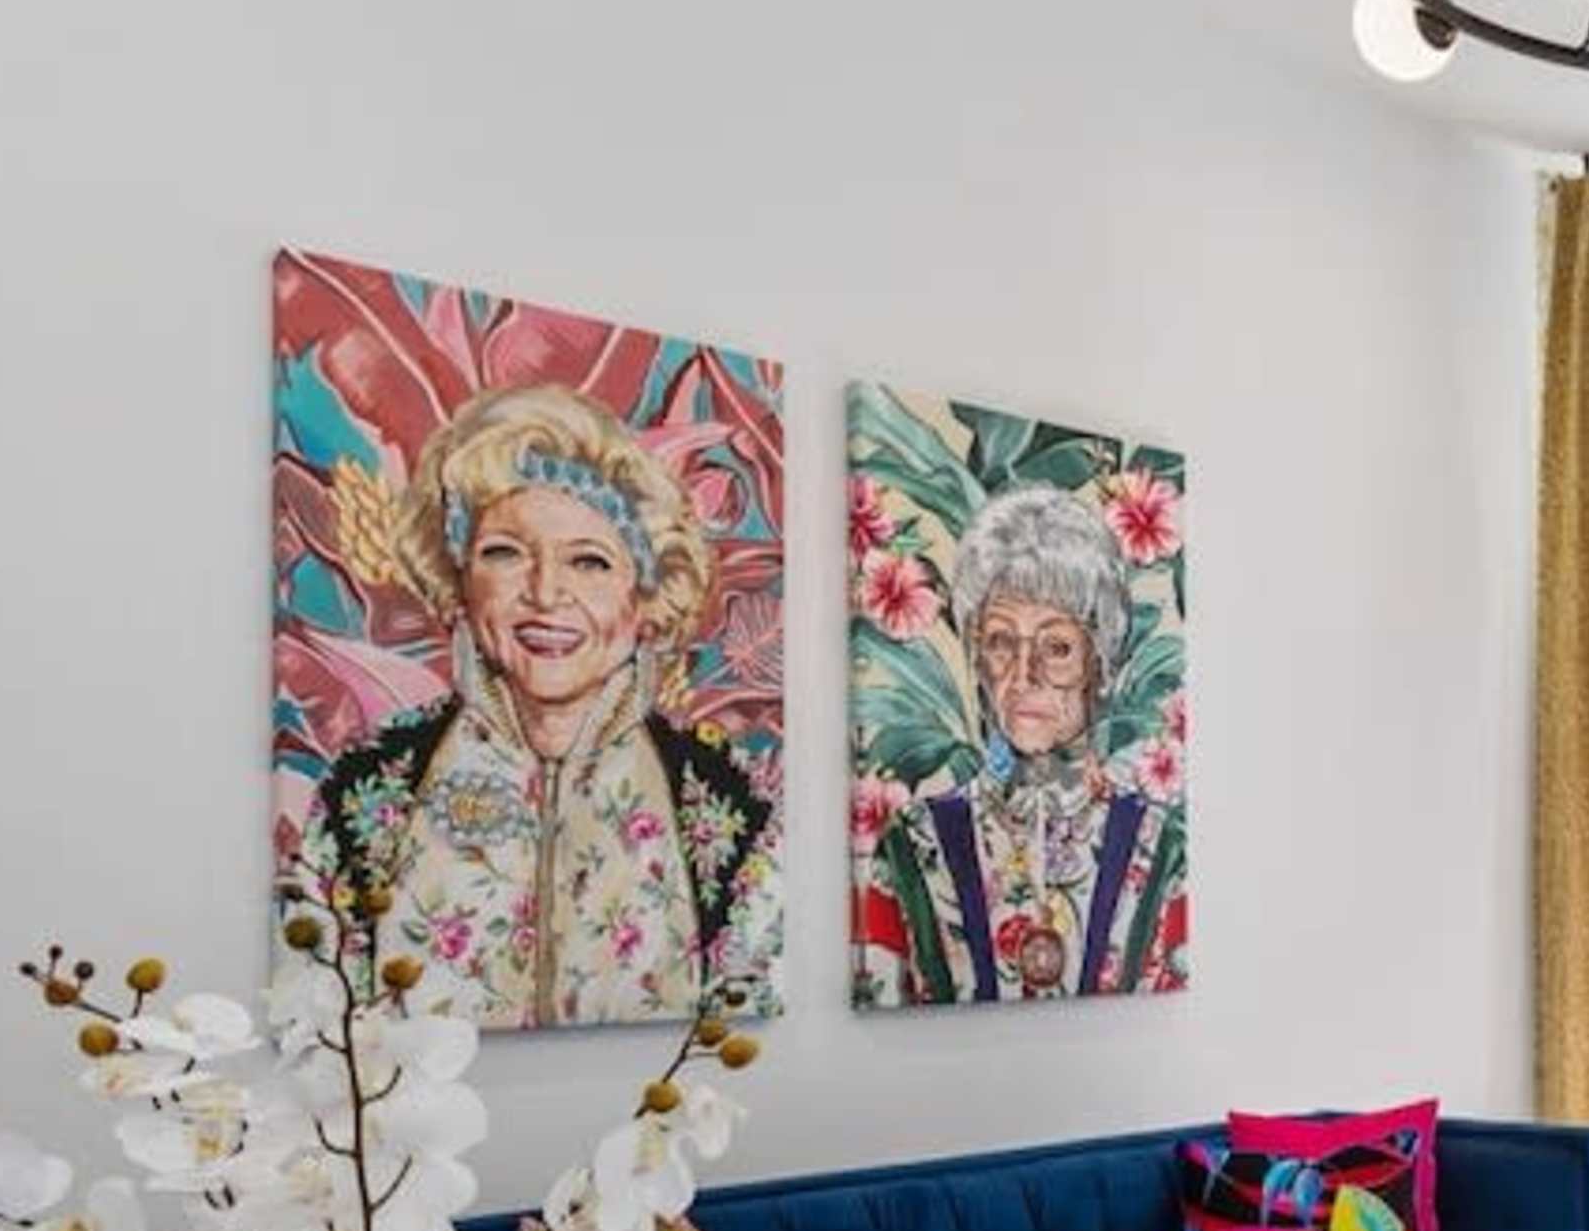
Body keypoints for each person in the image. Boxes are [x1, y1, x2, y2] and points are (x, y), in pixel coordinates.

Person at [298, 385, 779, 1030]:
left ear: (642, 598)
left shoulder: (721, 803)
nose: (546, 593)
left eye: (589, 561)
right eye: (506, 553)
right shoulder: (370, 789)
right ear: (459, 580)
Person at [858, 486, 1180, 1003]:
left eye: (1056, 648)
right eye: (1002, 642)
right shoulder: (914, 846)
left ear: (1101, 662)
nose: (1024, 675)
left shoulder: (1161, 845)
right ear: (977, 657)